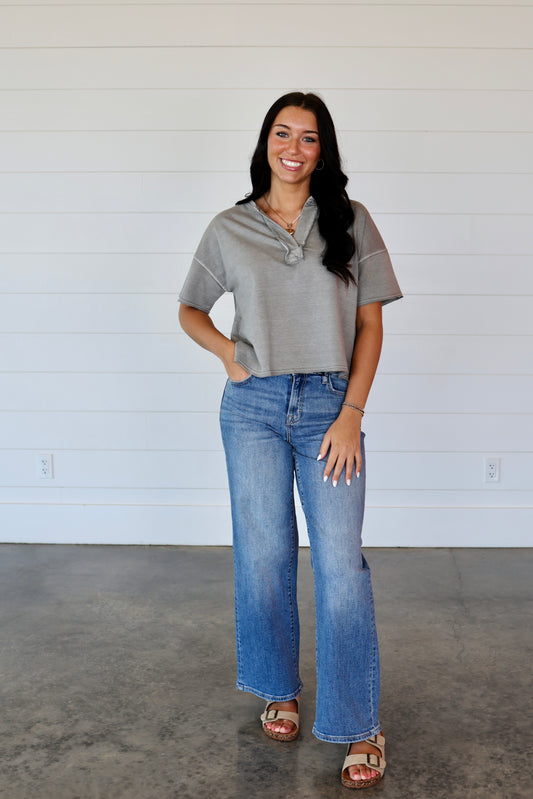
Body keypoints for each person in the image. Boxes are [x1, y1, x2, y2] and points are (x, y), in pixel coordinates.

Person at [178, 92, 402, 789]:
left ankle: (359, 723)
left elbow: (369, 326)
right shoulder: (230, 227)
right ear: (265, 142)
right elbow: (188, 307)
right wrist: (226, 353)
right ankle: (279, 686)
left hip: (329, 408)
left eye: (309, 137)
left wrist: (350, 413)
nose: (295, 147)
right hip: (252, 407)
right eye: (283, 133)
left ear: (322, 150)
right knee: (264, 554)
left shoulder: (350, 222)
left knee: (339, 565)